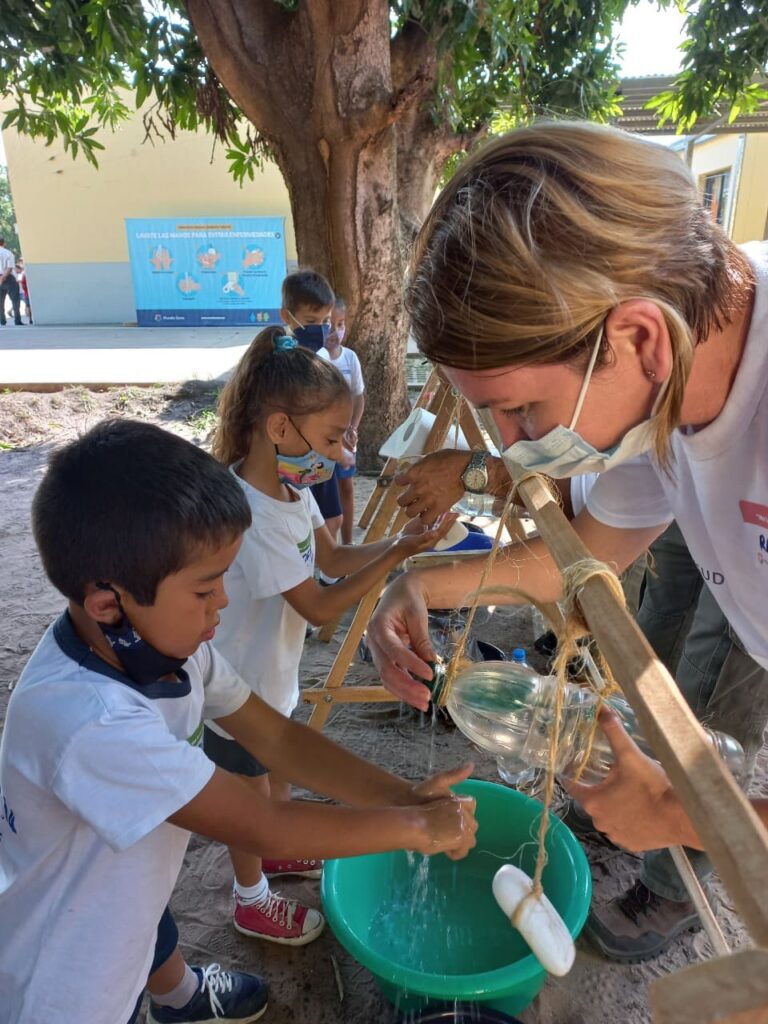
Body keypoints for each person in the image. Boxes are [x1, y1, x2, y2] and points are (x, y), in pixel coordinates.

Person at [365, 121, 768, 960]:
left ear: (638, 339)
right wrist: (417, 584)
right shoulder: (666, 381)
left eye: (524, 413)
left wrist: (677, 813)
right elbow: (577, 557)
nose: (510, 448)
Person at [0, 419, 477, 1024]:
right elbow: (266, 826)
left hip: (111, 893)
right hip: (65, 989)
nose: (222, 602)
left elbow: (275, 736)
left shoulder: (162, 646)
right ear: (107, 603)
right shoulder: (93, 725)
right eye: (204, 590)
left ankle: (179, 997)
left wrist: (402, 794)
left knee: (137, 902)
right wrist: (416, 828)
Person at [205, 326, 458, 946]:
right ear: (279, 430)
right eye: (332, 438)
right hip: (236, 693)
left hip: (274, 677)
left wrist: (401, 546)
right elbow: (319, 605)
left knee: (277, 775)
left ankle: (280, 846)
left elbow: (334, 558)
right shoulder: (250, 512)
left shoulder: (293, 490)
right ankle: (250, 897)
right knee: (249, 803)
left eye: (345, 437)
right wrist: (393, 562)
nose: (345, 454)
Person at [280, 269, 345, 556]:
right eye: (310, 321)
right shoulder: (281, 362)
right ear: (287, 317)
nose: (319, 329)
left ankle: (326, 573)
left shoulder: (320, 359)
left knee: (333, 518)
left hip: (321, 457)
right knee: (299, 522)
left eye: (324, 322)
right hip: (294, 459)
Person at [318, 296, 366, 544]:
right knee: (324, 491)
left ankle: (347, 545)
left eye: (340, 324)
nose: (334, 331)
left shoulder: (350, 358)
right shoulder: (315, 358)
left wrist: (353, 428)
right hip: (321, 442)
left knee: (346, 488)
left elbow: (358, 397)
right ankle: (327, 548)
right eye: (328, 323)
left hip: (346, 440)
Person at [0, 236, 22, 326]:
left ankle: (2, 320)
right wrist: (3, 277)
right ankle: (17, 320)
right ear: (4, 243)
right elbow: (9, 267)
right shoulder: (8, 253)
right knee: (15, 300)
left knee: (0, 302)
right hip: (9, 279)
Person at [15, 258, 32, 323]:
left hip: (24, 292)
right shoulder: (23, 274)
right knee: (28, 305)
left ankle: (30, 318)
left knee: (27, 305)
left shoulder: (23, 273)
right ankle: (30, 318)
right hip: (24, 292)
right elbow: (22, 283)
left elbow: (22, 283)